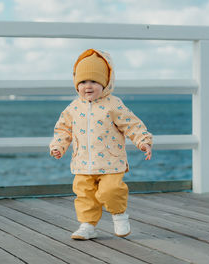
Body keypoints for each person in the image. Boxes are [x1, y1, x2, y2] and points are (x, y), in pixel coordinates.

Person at [50, 48, 152, 240]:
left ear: (105, 83)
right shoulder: (73, 108)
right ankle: (87, 225)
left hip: (110, 162)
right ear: (76, 84)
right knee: (84, 195)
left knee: (111, 191)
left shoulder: (113, 104)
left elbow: (132, 125)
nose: (88, 86)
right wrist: (58, 146)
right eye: (83, 81)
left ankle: (119, 215)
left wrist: (143, 141)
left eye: (94, 81)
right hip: (82, 163)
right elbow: (63, 129)